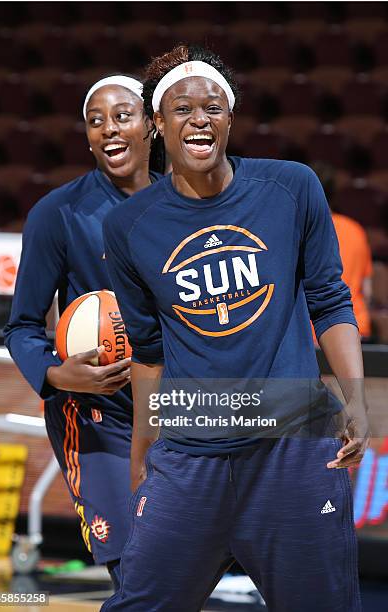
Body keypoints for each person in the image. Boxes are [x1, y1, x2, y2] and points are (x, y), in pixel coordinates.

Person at [101, 45, 369, 612]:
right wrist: (142, 456)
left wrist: (357, 401)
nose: (199, 118)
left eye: (213, 107)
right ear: (156, 124)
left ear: (230, 119)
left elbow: (330, 301)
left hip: (292, 445)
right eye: (181, 108)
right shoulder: (129, 225)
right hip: (190, 451)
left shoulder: (291, 187)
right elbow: (148, 351)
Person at [4, 75, 164, 590]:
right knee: (139, 570)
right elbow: (22, 326)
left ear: (152, 125)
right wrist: (59, 374)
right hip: (96, 414)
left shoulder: (186, 206)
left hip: (173, 404)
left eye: (123, 116)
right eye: (96, 121)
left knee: (179, 570)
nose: (108, 129)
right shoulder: (58, 213)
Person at [312, 162, 373, 340]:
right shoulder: (355, 229)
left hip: (315, 333)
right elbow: (367, 290)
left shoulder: (299, 230)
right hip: (356, 328)